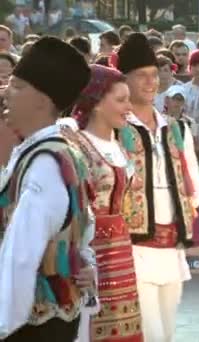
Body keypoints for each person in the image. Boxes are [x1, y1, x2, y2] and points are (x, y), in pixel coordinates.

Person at [0, 36, 95, 341]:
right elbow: (84, 229)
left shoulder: (44, 162)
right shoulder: (58, 151)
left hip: (30, 325)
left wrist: (3, 323)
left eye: (16, 87)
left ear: (42, 100)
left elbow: (21, 256)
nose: (6, 94)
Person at [113, 33, 199, 342]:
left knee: (165, 333)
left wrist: (184, 208)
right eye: (141, 76)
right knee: (149, 333)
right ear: (123, 81)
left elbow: (194, 183)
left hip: (171, 245)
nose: (150, 82)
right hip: (132, 247)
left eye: (154, 75)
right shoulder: (114, 129)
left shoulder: (176, 128)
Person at [68, 65, 143, 342]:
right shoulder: (74, 144)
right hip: (89, 249)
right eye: (121, 100)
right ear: (97, 103)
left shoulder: (119, 143)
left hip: (120, 249)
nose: (128, 108)